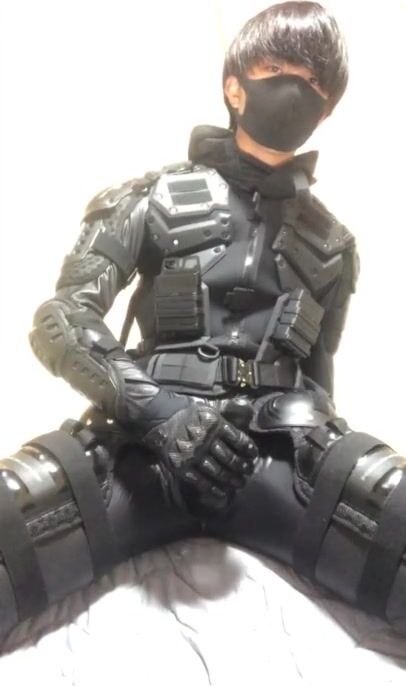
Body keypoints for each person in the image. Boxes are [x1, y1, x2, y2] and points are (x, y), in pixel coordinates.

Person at [1, 0, 405, 645]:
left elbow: (319, 376)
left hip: (278, 459)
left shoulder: (333, 243)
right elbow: (62, 319)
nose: (295, 89)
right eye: (276, 69)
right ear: (233, 86)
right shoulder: (150, 196)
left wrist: (330, 456)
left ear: (328, 108)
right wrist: (161, 415)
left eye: (314, 81)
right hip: (142, 446)